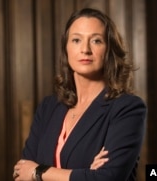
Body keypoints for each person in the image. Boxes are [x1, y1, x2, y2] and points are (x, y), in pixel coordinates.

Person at [13, 8, 147, 181]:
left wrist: (38, 172)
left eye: (96, 41)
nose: (85, 49)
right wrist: (85, 174)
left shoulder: (127, 108)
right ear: (66, 48)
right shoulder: (49, 106)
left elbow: (108, 178)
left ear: (109, 50)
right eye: (76, 40)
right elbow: (21, 172)